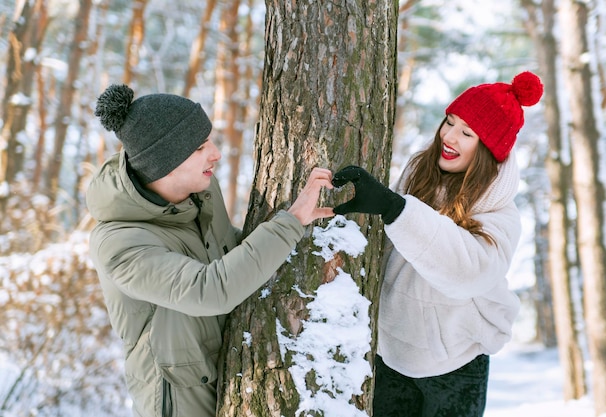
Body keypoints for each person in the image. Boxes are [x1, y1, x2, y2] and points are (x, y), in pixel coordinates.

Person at [86, 84, 334, 417]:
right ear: (166, 163)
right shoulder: (119, 244)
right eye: (201, 147)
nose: (216, 154)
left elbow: (225, 246)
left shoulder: (199, 189)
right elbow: (209, 290)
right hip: (180, 400)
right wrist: (290, 222)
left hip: (232, 374)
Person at [332, 71, 543, 417]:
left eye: (466, 132)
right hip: (391, 354)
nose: (449, 136)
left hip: (456, 364)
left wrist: (395, 209)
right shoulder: (420, 172)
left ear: (489, 148)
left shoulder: (500, 212)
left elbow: (469, 270)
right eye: (450, 121)